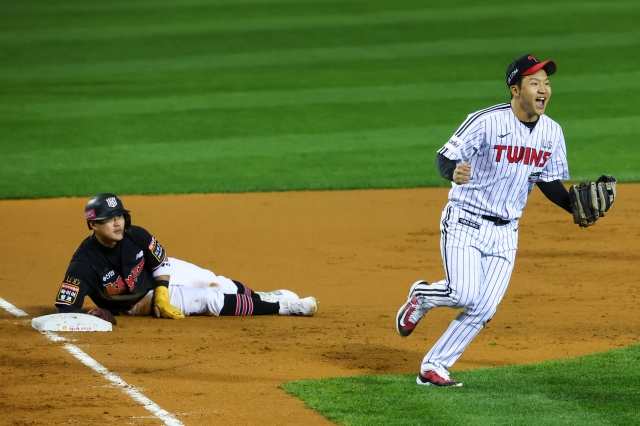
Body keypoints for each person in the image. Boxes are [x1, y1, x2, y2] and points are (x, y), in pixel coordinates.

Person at [396, 54, 577, 387]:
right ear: (515, 89)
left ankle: (434, 366)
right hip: (466, 219)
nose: (543, 90)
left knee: (484, 307)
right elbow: (445, 155)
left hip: (507, 233)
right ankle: (421, 297)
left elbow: (547, 181)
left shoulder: (552, 133)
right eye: (534, 83)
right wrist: (454, 171)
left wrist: (575, 208)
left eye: (547, 84)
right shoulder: (485, 121)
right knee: (463, 293)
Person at [55, 193, 318, 324]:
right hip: (135, 302)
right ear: (93, 225)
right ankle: (284, 307)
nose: (117, 223)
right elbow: (64, 307)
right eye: (109, 220)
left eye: (119, 216)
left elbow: (161, 263)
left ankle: (260, 296)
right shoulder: (84, 264)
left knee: (215, 281)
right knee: (207, 299)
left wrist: (162, 291)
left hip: (156, 282)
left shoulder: (137, 235)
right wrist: (92, 314)